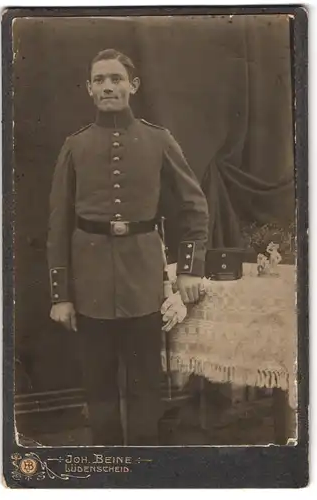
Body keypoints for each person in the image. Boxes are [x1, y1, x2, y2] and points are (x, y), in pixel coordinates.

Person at [47, 48, 209, 445]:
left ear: (133, 86)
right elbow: (58, 225)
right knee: (98, 388)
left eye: (116, 78)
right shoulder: (75, 146)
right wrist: (60, 295)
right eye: (99, 79)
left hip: (143, 283)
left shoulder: (159, 140)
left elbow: (193, 205)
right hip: (89, 287)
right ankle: (109, 470)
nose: (108, 86)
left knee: (143, 388)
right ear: (88, 89)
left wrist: (189, 268)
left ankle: (144, 468)